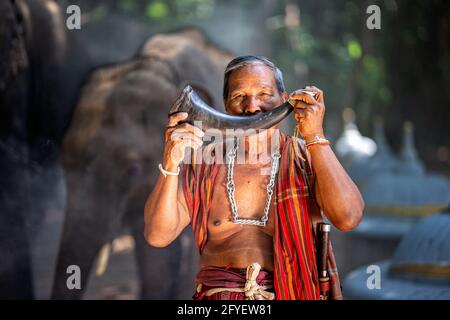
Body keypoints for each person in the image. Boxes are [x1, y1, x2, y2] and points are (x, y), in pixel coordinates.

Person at [144, 55, 364, 300]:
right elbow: (158, 235)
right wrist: (171, 162)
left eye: (264, 94)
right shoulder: (206, 162)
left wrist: (315, 136)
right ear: (226, 104)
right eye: (239, 96)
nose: (252, 107)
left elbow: (348, 218)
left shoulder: (306, 157)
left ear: (284, 99)